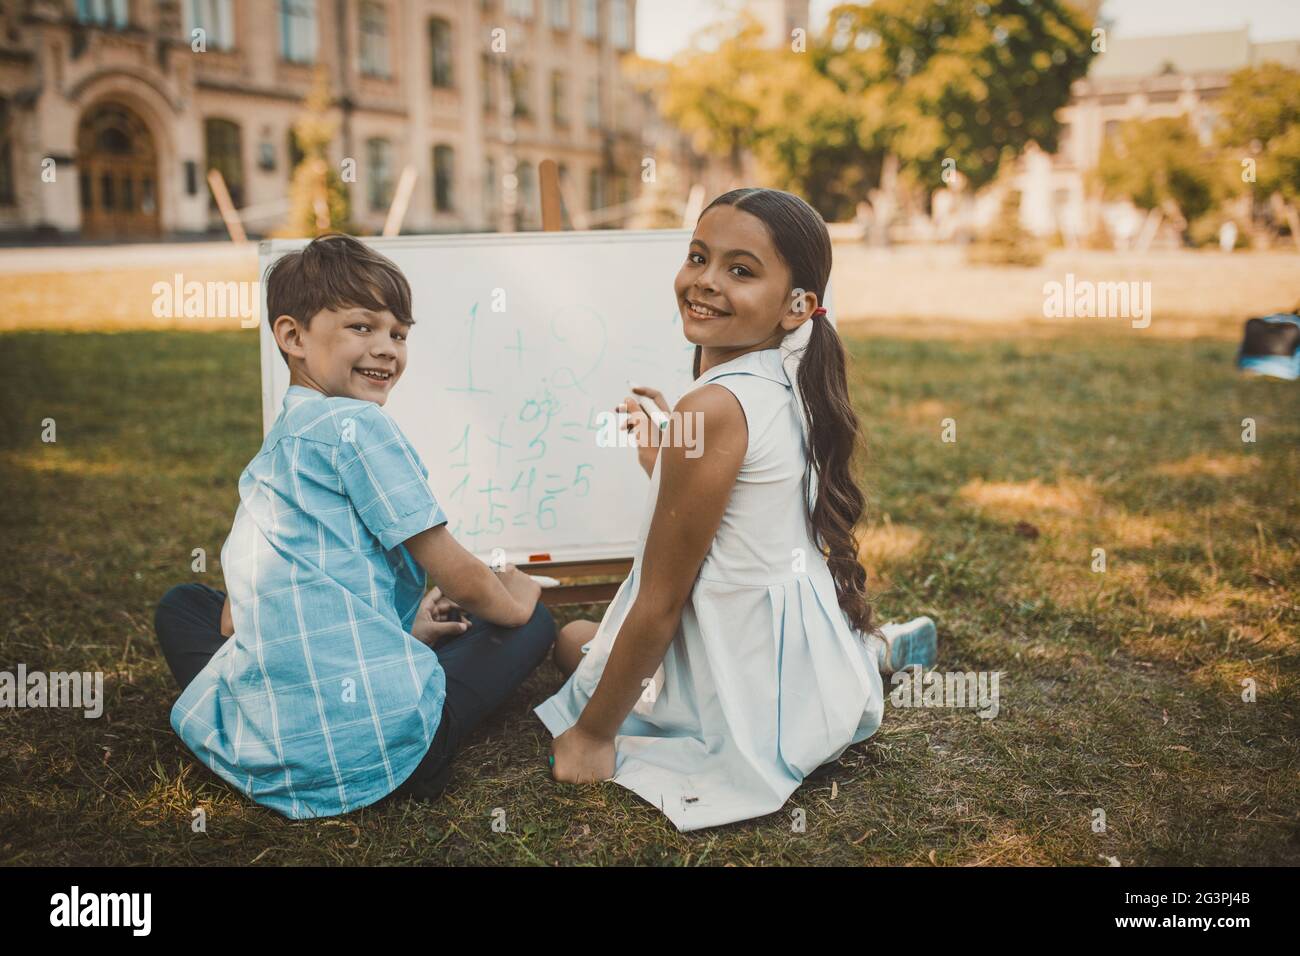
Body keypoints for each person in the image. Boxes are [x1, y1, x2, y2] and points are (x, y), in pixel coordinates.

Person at [534, 188, 937, 831]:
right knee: (584, 642)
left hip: (743, 681)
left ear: (796, 303)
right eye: (698, 257)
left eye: (740, 270)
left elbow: (662, 600)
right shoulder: (791, 376)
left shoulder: (712, 409)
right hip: (802, 659)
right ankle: (870, 653)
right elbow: (742, 509)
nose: (705, 282)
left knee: (572, 641)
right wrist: (666, 458)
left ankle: (869, 653)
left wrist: (590, 736)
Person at [154, 233, 555, 818]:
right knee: (530, 623)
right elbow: (458, 574)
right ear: (292, 337)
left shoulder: (281, 444)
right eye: (362, 328)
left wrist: (403, 626)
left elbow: (237, 614)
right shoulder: (362, 428)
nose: (386, 348)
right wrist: (519, 604)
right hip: (390, 755)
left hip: (269, 744)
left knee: (183, 603)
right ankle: (395, 723)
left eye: (398, 334)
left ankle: (254, 725)